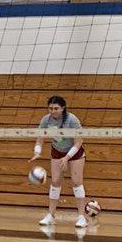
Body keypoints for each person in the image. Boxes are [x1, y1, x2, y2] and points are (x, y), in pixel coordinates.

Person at [32, 94, 90, 230]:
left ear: (63, 108)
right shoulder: (46, 120)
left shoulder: (72, 120)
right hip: (57, 151)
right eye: (50, 108)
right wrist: (37, 151)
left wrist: (67, 158)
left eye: (56, 108)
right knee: (55, 181)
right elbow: (40, 138)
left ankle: (81, 217)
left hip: (74, 152)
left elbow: (78, 142)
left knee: (76, 182)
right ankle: (51, 215)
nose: (52, 111)